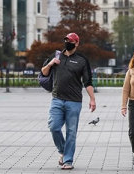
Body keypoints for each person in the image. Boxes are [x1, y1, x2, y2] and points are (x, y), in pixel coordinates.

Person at [41, 32, 96, 170]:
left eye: (70, 40)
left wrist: (92, 99)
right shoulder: (56, 56)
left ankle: (68, 160)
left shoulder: (82, 60)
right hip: (57, 99)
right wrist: (51, 64)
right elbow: (44, 72)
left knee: (71, 131)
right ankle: (62, 151)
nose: (67, 42)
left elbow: (88, 82)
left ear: (76, 43)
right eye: (66, 40)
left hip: (74, 102)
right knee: (53, 127)